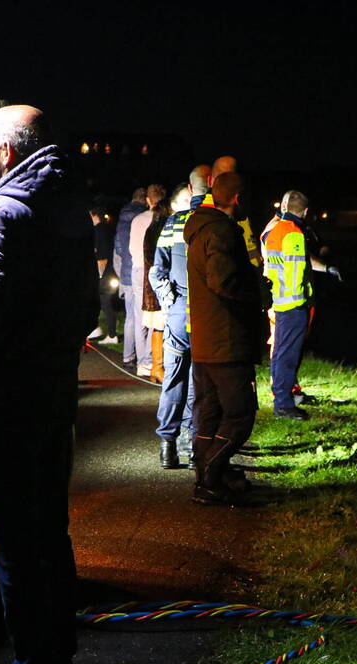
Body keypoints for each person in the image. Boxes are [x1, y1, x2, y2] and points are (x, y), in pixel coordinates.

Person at [0, 105, 98, 664]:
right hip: (52, 397)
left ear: (6, 151)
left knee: (9, 542)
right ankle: (58, 660)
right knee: (49, 534)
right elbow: (86, 308)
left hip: (2, 403)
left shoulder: (2, 214)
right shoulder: (67, 211)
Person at [184, 172, 263, 504]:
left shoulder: (200, 228)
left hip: (206, 338)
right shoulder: (222, 231)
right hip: (227, 340)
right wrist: (257, 292)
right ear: (238, 199)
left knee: (211, 412)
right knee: (241, 414)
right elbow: (222, 281)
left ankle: (208, 476)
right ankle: (211, 477)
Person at [149, 167, 208, 469]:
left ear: (190, 187)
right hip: (204, 318)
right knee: (198, 382)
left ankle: (167, 446)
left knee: (173, 379)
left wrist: (169, 299)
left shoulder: (173, 223)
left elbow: (156, 270)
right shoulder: (217, 223)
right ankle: (193, 444)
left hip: (177, 316)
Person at [262, 190, 312, 420]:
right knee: (287, 355)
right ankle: (283, 404)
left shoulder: (273, 231)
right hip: (294, 303)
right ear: (305, 212)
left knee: (280, 352)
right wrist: (302, 299)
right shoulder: (294, 234)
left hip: (279, 299)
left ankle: (280, 398)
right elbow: (297, 271)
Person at [128, 184, 167, 378]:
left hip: (137, 268)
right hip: (155, 268)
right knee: (156, 315)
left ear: (148, 200)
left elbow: (130, 248)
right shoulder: (163, 220)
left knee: (139, 316)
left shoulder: (137, 220)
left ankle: (142, 362)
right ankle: (153, 361)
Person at [138, 184, 173, 383]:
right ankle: (158, 368)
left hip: (151, 288)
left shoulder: (151, 229)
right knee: (160, 327)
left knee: (158, 328)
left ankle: (157, 368)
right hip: (158, 288)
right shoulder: (158, 232)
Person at [115, 188, 147, 370]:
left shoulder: (121, 220)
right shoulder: (144, 218)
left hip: (126, 271)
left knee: (130, 317)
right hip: (140, 269)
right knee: (143, 317)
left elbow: (118, 249)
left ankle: (128, 357)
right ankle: (144, 359)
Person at [89, 206, 119, 343]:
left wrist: (98, 275)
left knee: (103, 303)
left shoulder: (98, 230)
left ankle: (107, 333)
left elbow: (102, 256)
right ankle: (109, 333)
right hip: (109, 272)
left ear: (95, 216)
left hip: (103, 274)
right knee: (105, 304)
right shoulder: (107, 229)